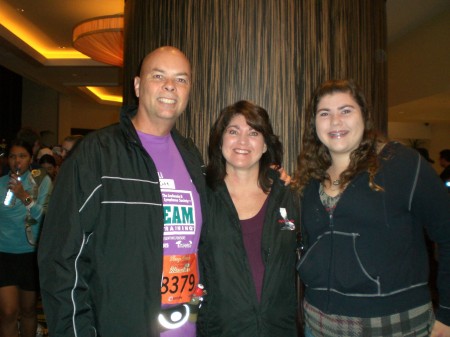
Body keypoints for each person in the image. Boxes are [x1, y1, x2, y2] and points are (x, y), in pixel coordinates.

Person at [38, 46, 208, 337]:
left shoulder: (191, 157)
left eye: (181, 79)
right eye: (159, 76)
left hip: (186, 326)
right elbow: (61, 258)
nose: (170, 85)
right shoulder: (96, 154)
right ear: (138, 86)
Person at [292, 79, 450, 337]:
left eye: (346, 110)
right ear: (314, 125)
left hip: (392, 326)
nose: (335, 121)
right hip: (318, 324)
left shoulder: (400, 164)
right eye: (325, 113)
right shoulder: (309, 179)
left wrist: (447, 314)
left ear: (364, 116)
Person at [197, 101, 300, 337]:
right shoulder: (200, 195)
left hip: (280, 330)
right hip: (220, 330)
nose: (242, 141)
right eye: (233, 131)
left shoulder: (288, 195)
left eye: (253, 133)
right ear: (220, 140)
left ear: (265, 145)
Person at [0, 139, 52, 337]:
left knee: (29, 310)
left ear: (30, 159)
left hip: (30, 254)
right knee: (8, 312)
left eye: (22, 156)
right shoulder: (1, 184)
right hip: (4, 254)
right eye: (12, 156)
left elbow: (46, 217)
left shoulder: (42, 182)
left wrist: (24, 196)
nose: (17, 161)